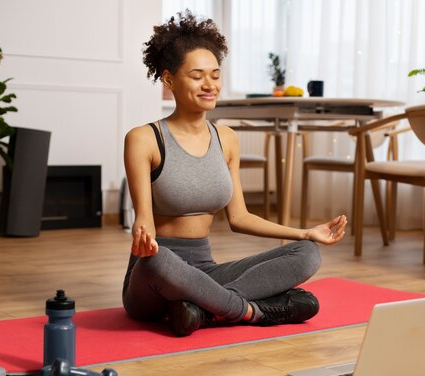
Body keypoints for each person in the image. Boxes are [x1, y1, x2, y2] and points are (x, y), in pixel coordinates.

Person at [122, 10, 347, 337]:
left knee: (307, 254)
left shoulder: (226, 138)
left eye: (215, 75)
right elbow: (143, 219)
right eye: (197, 75)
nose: (209, 84)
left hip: (207, 271)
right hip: (156, 274)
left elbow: (239, 217)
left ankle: (202, 310)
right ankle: (251, 311)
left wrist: (304, 233)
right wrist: (142, 233)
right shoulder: (144, 139)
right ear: (169, 80)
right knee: (159, 261)